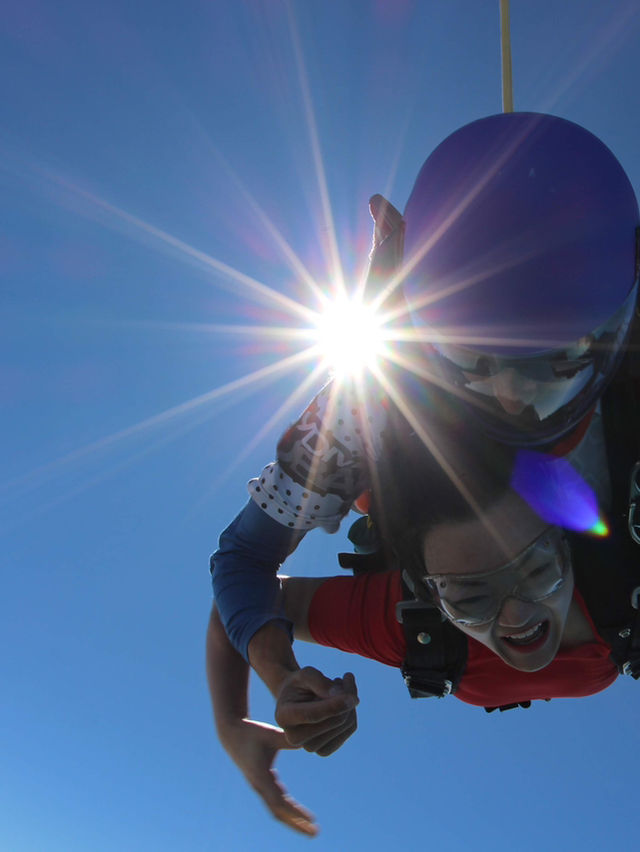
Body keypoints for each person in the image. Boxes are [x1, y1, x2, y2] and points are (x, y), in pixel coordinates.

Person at [209, 111, 640, 826]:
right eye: (470, 359)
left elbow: (244, 574)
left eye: (556, 366)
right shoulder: (363, 410)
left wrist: (262, 691)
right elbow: (244, 559)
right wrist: (262, 692)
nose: (510, 400)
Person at [208, 429, 638, 835]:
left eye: (540, 571)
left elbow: (243, 601)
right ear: (429, 595)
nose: (516, 617)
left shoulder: (406, 626)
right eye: (469, 597)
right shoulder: (405, 617)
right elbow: (241, 590)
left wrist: (265, 690)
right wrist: (259, 695)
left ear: (569, 547)